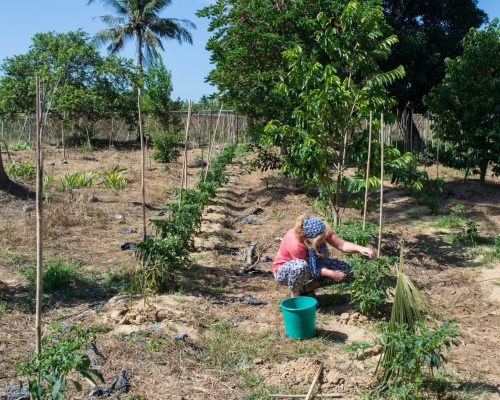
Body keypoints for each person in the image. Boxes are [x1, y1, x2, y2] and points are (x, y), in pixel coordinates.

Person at [273, 215, 374, 298]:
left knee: (346, 270)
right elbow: (308, 268)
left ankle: (306, 289)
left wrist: (360, 249)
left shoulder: (320, 230)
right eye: (321, 240)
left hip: (313, 264)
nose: (324, 240)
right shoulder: (296, 244)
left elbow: (342, 245)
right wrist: (331, 273)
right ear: (311, 239)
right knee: (300, 267)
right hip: (285, 271)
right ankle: (296, 300)